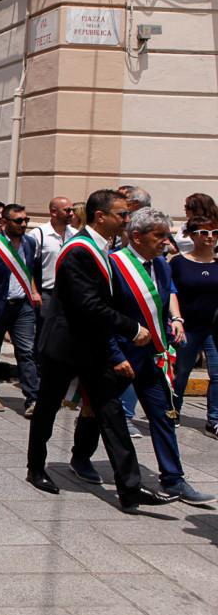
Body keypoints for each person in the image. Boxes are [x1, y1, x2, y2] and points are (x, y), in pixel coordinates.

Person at [25, 190, 178, 512]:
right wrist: (132, 328)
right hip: (64, 346)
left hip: (93, 348)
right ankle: (36, 468)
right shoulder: (80, 249)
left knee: (111, 414)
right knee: (48, 408)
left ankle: (130, 488)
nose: (127, 219)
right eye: (122, 215)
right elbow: (88, 304)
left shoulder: (103, 246)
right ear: (101, 217)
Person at [63, 208, 214, 506]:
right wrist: (116, 354)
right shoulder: (114, 265)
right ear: (136, 236)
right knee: (98, 410)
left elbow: (164, 297)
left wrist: (174, 322)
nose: (166, 241)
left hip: (152, 355)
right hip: (119, 356)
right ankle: (80, 457)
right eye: (159, 235)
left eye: (168, 235)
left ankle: (173, 478)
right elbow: (102, 314)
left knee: (163, 415)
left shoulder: (162, 265)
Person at [0, 203, 42, 417]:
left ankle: (33, 398)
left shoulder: (30, 243)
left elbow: (30, 270)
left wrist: (33, 291)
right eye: (19, 221)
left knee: (26, 351)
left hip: (22, 305)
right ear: (4, 222)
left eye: (26, 220)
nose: (24, 225)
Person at [170, 209, 218, 437]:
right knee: (181, 373)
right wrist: (175, 319)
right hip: (188, 327)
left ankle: (214, 420)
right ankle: (173, 411)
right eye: (204, 232)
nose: (210, 236)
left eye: (215, 232)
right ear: (192, 235)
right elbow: (171, 293)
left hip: (214, 329)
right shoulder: (179, 263)